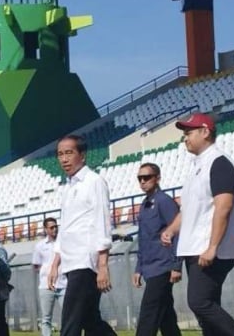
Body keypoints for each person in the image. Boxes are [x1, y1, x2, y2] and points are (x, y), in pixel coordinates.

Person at [161, 113, 234, 336]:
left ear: (205, 132)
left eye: (189, 132)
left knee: (199, 302)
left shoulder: (219, 163)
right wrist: (172, 229)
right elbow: (189, 209)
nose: (185, 138)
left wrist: (212, 247)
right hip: (194, 247)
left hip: (208, 249)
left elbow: (224, 207)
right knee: (207, 313)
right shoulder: (197, 166)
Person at [48, 134, 117, 336]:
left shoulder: (94, 182)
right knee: (91, 321)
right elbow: (67, 227)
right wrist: (55, 263)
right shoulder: (68, 188)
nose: (64, 159)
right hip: (70, 262)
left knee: (71, 322)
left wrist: (102, 265)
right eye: (60, 154)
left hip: (85, 262)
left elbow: (102, 222)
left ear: (83, 155)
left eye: (69, 153)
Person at [132, 163, 182, 336]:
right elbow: (144, 239)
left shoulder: (164, 201)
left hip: (163, 266)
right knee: (165, 316)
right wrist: (139, 268)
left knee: (149, 313)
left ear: (157, 178)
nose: (143, 181)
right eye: (140, 178)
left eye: (147, 177)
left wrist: (176, 266)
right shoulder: (144, 205)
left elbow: (177, 232)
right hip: (149, 268)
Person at [32, 217, 66, 336]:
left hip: (63, 283)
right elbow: (36, 265)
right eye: (51, 227)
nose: (54, 229)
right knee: (46, 318)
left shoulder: (63, 243)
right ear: (45, 229)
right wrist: (46, 273)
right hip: (46, 286)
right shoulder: (40, 246)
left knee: (67, 314)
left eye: (56, 226)